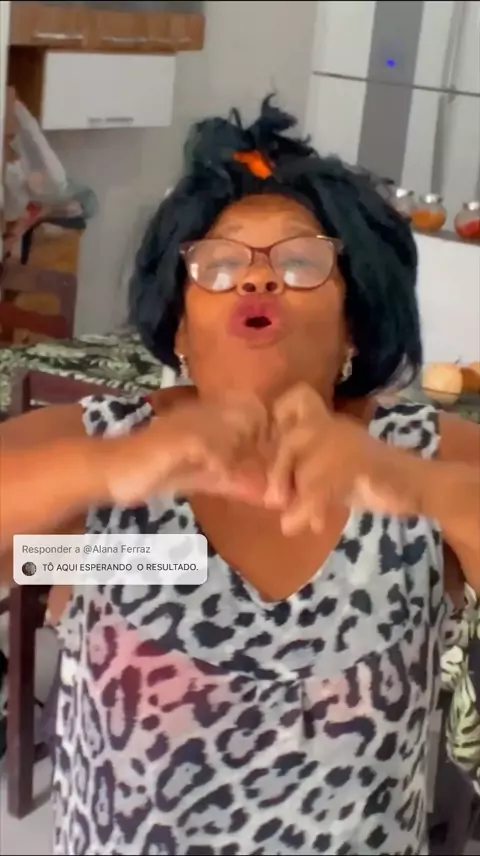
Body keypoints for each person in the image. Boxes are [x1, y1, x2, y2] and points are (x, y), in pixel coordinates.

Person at [0, 97, 479, 855]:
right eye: (219, 265)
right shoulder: (99, 448)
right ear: (180, 327)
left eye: (300, 262)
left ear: (354, 323)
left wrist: (422, 488)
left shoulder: (425, 453)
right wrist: (112, 467)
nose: (256, 280)